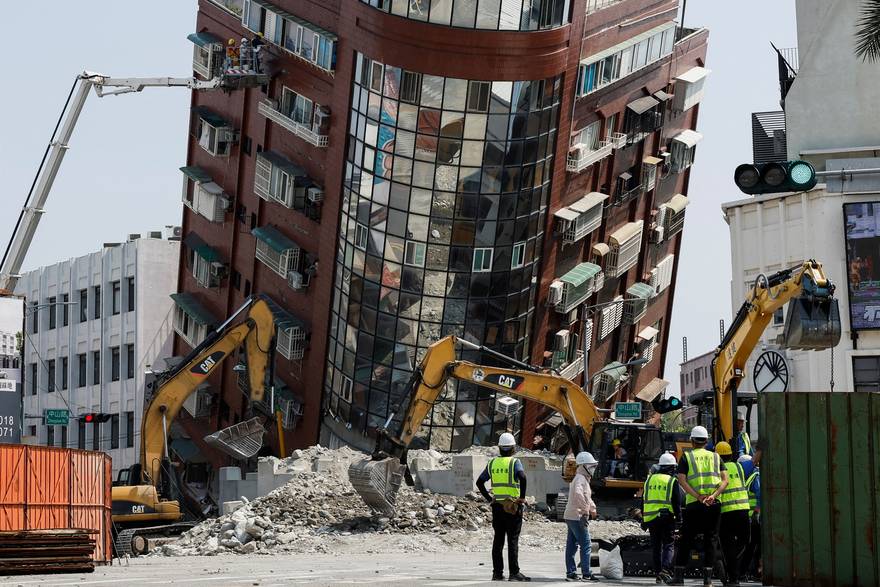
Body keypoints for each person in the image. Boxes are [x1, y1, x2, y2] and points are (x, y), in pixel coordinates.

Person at [667, 425, 728, 587]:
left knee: (686, 538)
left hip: (694, 505)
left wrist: (698, 497)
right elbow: (725, 480)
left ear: (692, 441)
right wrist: (713, 496)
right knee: (711, 540)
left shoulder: (687, 457)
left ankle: (679, 577)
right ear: (706, 441)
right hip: (713, 504)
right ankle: (707, 580)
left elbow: (681, 479)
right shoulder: (716, 457)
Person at [476, 432, 530, 582]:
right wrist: (522, 498)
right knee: (512, 539)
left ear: (500, 448)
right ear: (513, 448)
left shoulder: (493, 463)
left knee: (498, 540)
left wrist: (489, 499)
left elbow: (479, 482)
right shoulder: (514, 462)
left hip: (497, 506)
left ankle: (497, 573)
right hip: (512, 506)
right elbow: (523, 477)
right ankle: (514, 573)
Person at [715, 442, 750, 587]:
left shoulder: (716, 470)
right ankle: (733, 569)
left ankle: (733, 575)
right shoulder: (739, 467)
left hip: (726, 513)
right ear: (731, 454)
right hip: (742, 510)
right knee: (744, 541)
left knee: (728, 545)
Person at [642, 452, 681, 584]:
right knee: (669, 545)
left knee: (656, 547)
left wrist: (643, 519)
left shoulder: (649, 480)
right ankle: (665, 569)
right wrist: (679, 519)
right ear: (671, 468)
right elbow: (677, 502)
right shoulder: (671, 481)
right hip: (667, 518)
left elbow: (643, 500)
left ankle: (658, 574)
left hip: (651, 519)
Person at [563, 452, 599, 582]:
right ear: (583, 466)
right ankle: (586, 574)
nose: (592, 468)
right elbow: (579, 495)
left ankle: (571, 573)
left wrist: (592, 508)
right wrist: (585, 510)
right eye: (591, 466)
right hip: (577, 516)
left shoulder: (582, 478)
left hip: (571, 515)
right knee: (586, 544)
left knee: (572, 545)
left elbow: (586, 497)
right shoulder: (580, 478)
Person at [737, 455, 761, 581]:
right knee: (753, 546)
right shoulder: (750, 477)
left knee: (752, 546)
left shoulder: (754, 477)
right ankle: (750, 572)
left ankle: (747, 572)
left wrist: (757, 511)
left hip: (755, 518)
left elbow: (759, 493)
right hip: (752, 518)